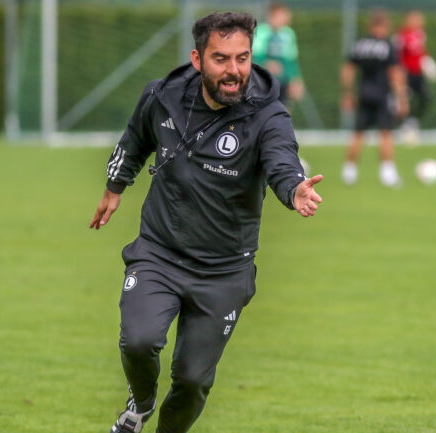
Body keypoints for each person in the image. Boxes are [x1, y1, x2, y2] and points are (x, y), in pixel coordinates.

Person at [89, 11, 323, 433]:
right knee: (139, 340)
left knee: (193, 381)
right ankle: (139, 405)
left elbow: (282, 161)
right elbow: (135, 138)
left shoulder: (269, 116)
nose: (234, 71)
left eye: (242, 58)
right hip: (160, 253)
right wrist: (114, 186)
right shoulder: (162, 95)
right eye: (221, 59)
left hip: (225, 269)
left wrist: (293, 190)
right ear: (197, 59)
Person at [340, 9, 408, 187]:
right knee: (385, 133)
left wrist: (347, 93)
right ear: (384, 26)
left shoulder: (360, 45)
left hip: (363, 94)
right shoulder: (387, 45)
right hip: (382, 95)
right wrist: (402, 98)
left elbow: (348, 70)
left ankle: (349, 172)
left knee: (358, 133)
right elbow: (395, 73)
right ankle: (388, 174)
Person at [252, 2, 304, 105]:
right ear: (272, 15)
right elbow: (253, 58)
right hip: (263, 83)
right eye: (282, 14)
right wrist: (266, 64)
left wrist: (296, 80)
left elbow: (291, 61)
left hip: (282, 83)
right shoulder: (261, 32)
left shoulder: (288, 34)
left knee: (284, 113)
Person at [397, 10, 436, 141]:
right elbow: (398, 54)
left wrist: (428, 62)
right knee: (404, 100)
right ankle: (402, 126)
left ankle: (411, 122)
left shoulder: (420, 34)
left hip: (418, 73)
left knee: (425, 97)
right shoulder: (402, 35)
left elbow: (422, 51)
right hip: (406, 73)